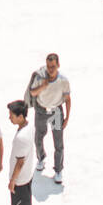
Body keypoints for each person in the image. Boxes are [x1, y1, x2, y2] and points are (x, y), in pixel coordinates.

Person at [27, 52, 71, 184]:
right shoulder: (40, 77)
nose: (50, 69)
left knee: (58, 142)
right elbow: (32, 92)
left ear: (58, 65)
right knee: (38, 137)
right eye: (48, 66)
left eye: (53, 66)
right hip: (41, 110)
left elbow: (68, 99)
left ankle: (58, 170)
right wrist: (43, 86)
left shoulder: (63, 80)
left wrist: (67, 118)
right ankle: (41, 158)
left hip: (56, 111)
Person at [5, 99, 35, 205]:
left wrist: (12, 181)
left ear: (21, 116)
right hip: (26, 176)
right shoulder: (28, 127)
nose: (9, 117)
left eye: (12, 115)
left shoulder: (21, 138)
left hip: (21, 180)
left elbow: (20, 162)